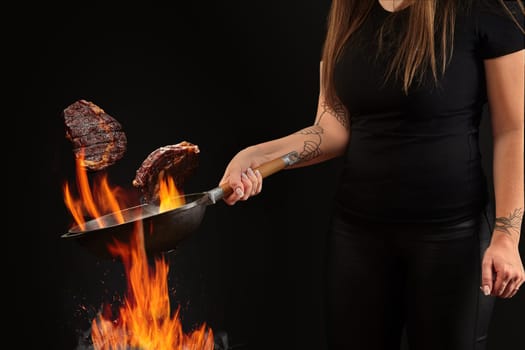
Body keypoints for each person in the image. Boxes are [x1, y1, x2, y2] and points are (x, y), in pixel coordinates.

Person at [218, 0, 524, 349]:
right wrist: (255, 156)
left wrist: (506, 237)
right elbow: (332, 127)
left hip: (452, 238)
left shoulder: (486, 8)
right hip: (358, 238)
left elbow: (513, 130)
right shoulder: (349, 8)